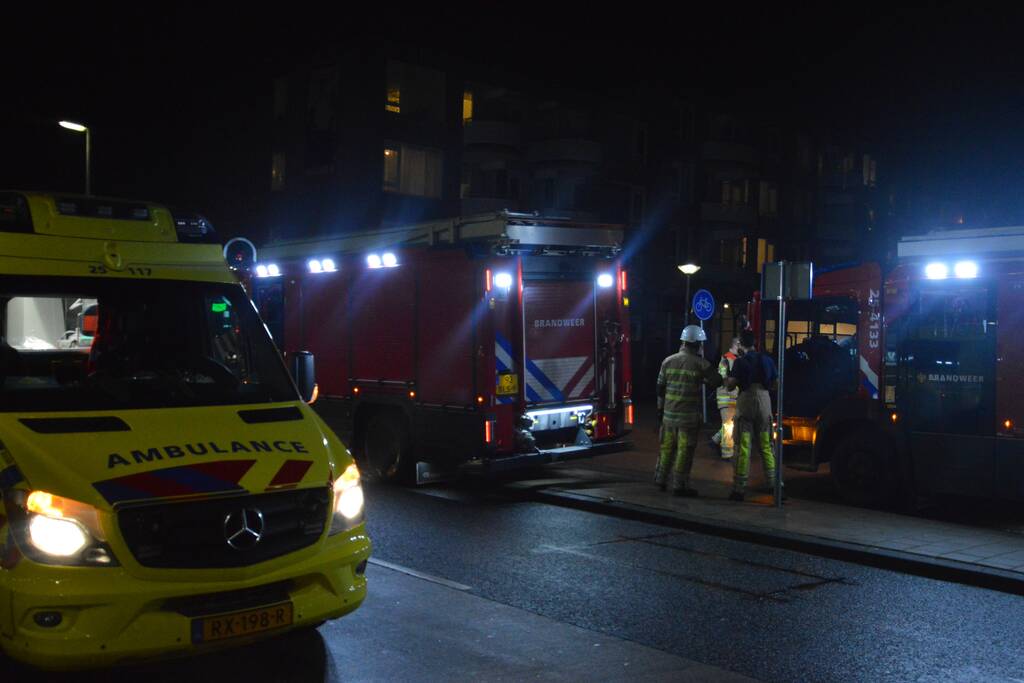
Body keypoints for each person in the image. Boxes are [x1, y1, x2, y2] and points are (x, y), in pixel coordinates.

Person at [655, 325, 722, 496]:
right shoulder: (701, 364)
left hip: (668, 417)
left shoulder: (667, 361)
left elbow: (660, 388)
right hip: (688, 420)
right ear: (698, 344)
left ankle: (660, 480)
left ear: (683, 342)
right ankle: (679, 485)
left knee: (667, 449)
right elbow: (717, 381)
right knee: (684, 452)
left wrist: (660, 410)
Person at [724, 330, 778, 501]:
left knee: (743, 447)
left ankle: (739, 488)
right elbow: (776, 384)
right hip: (764, 401)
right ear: (756, 343)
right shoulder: (768, 360)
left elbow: (731, 386)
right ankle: (774, 484)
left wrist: (726, 378)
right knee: (766, 446)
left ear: (741, 344)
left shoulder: (740, 362)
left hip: (746, 401)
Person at [711, 337, 741, 460]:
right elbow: (724, 378)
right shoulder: (729, 358)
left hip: (731, 396)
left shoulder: (731, 358)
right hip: (727, 397)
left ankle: (715, 440)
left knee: (729, 423)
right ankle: (727, 454)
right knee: (728, 425)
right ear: (737, 345)